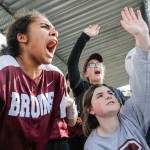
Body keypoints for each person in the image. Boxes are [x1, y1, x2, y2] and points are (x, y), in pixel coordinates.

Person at [0, 10, 77, 150]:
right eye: (45, 26)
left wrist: (71, 105)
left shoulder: (55, 75)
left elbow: (70, 122)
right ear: (22, 37)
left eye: (54, 29)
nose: (55, 32)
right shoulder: (4, 69)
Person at [82, 7, 150, 150]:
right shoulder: (94, 146)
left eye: (110, 92)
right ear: (90, 109)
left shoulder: (130, 116)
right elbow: (71, 65)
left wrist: (142, 38)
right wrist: (84, 37)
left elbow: (141, 85)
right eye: (100, 95)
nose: (108, 96)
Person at [67, 23, 126, 150]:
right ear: (85, 74)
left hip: (120, 141)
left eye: (99, 64)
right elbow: (72, 64)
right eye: (92, 65)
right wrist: (84, 37)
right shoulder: (81, 87)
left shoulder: (116, 92)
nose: (97, 66)